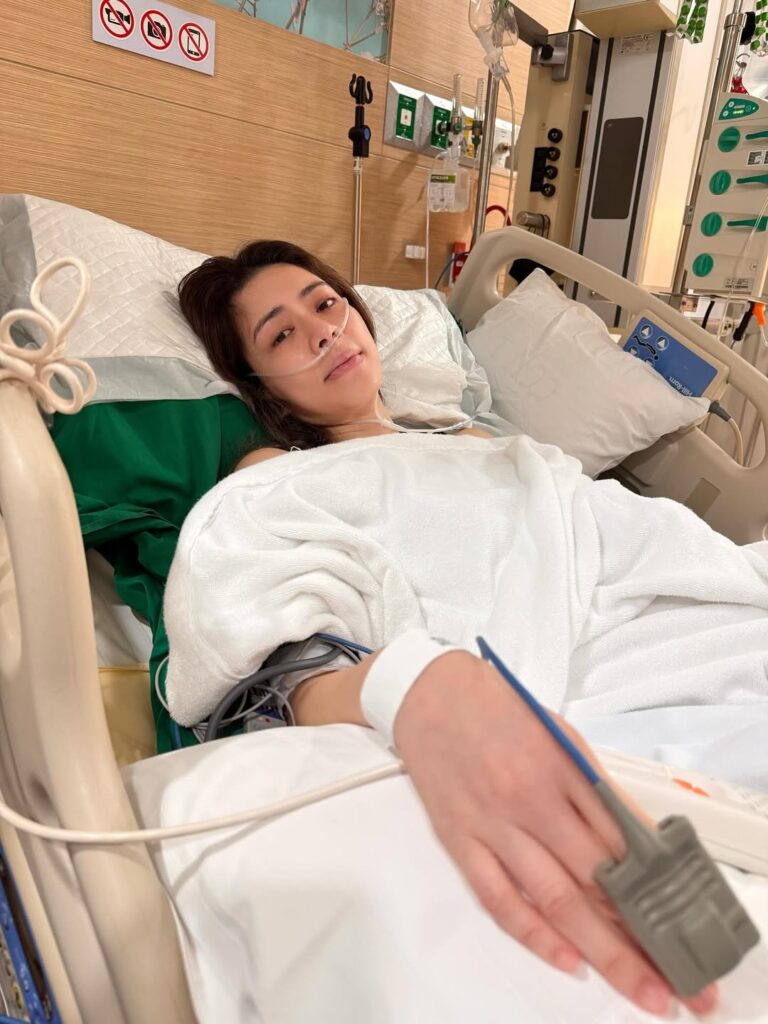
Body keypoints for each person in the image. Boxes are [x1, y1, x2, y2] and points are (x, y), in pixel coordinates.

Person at [178, 240, 720, 1018]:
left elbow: (595, 528)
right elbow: (277, 653)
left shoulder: (479, 442)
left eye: (325, 304)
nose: (323, 331)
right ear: (260, 385)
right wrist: (408, 688)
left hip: (665, 620)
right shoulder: (275, 474)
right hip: (542, 702)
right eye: (282, 334)